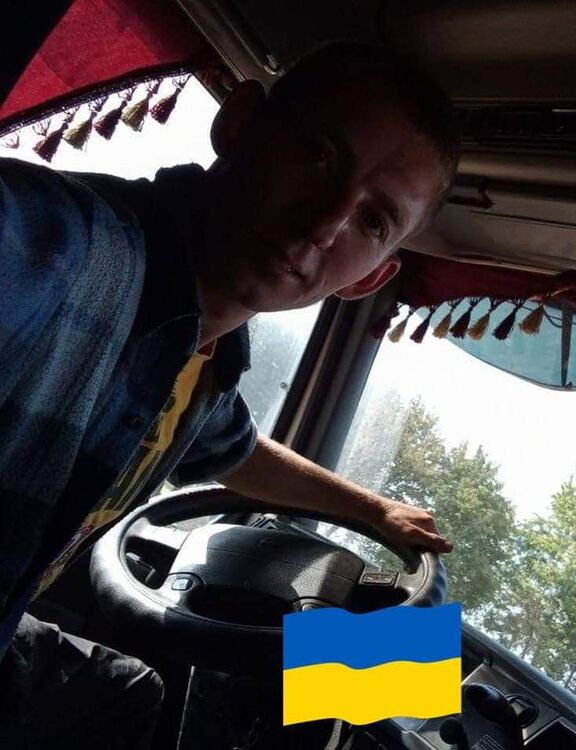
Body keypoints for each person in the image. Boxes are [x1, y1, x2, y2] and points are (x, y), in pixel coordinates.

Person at [0, 41, 460, 748]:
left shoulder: (202, 367)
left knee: (129, 690)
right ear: (238, 123)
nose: (324, 223)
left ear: (368, 278)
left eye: (372, 221)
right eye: (318, 155)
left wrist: (377, 511)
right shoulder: (65, 243)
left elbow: (240, 453)